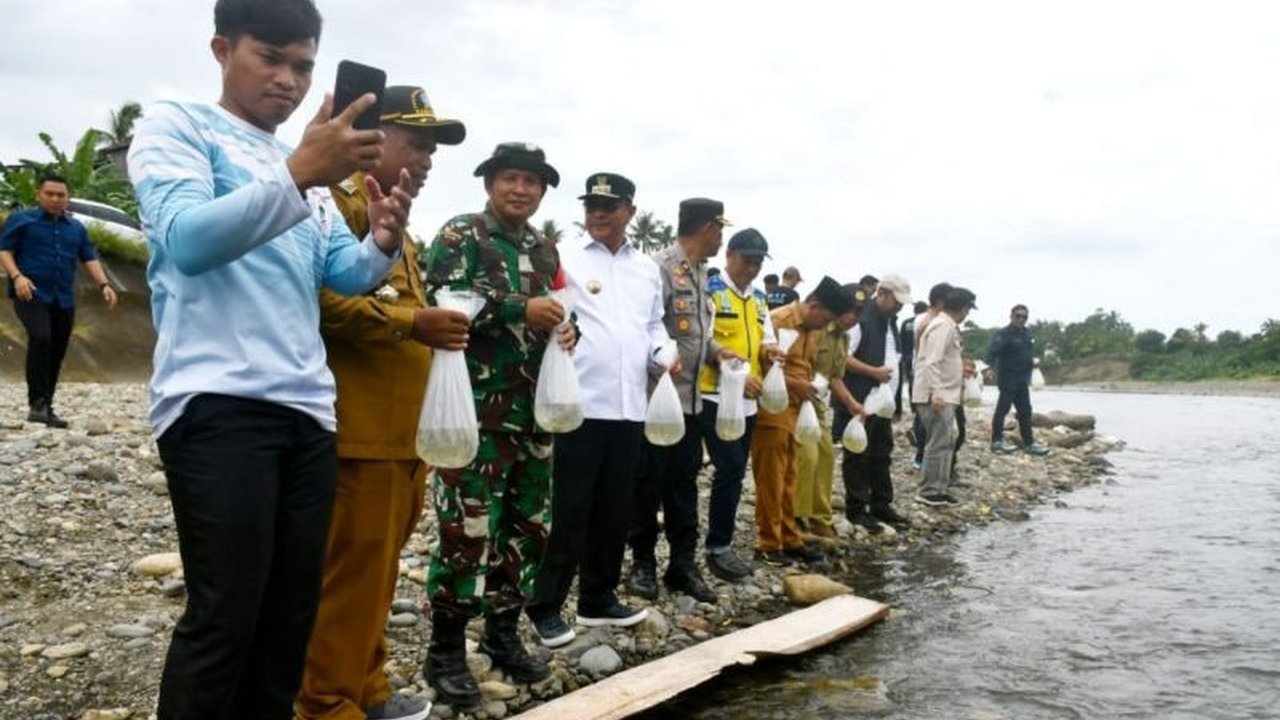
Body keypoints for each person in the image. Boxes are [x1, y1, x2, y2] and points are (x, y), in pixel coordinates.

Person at [126, 0, 413, 716]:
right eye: (271, 58)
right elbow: (187, 242)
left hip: (308, 409)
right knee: (227, 613)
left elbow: (337, 273)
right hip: (216, 402)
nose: (288, 79)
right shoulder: (178, 125)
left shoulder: (298, 165)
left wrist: (380, 239)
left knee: (289, 617)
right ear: (223, 49)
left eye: (303, 65)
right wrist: (299, 173)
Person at [296, 85, 469, 720]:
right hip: (359, 431)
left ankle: (364, 687)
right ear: (373, 138)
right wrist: (410, 322)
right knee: (349, 578)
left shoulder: (395, 219)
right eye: (416, 144)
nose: (425, 160)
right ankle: (326, 704)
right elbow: (318, 301)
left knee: (377, 576)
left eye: (431, 150)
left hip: (401, 435)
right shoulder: (334, 206)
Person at [420, 142, 570, 709]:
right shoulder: (462, 234)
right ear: (490, 182)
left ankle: (503, 631)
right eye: (511, 178)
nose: (521, 190)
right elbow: (442, 300)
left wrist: (564, 330)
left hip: (533, 417)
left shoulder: (545, 248)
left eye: (532, 183)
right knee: (466, 531)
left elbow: (555, 306)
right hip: (476, 413)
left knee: (527, 528)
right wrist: (517, 309)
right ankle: (447, 648)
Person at [527, 172, 668, 648]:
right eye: (591, 207)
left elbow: (653, 326)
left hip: (630, 406)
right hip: (579, 402)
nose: (599, 215)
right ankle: (545, 605)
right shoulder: (562, 257)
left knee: (615, 507)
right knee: (569, 509)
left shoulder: (647, 269)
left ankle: (597, 598)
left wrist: (663, 352)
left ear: (630, 210)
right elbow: (549, 310)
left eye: (609, 207)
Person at [628, 198, 731, 604]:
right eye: (718, 230)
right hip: (656, 402)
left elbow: (697, 336)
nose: (721, 239)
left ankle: (682, 565)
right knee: (647, 485)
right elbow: (645, 330)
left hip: (691, 404)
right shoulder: (659, 268)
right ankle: (643, 564)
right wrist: (660, 365)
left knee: (683, 486)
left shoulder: (703, 273)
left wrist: (718, 353)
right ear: (706, 227)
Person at [751, 276, 856, 566]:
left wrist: (809, 386)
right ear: (813, 304)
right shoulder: (778, 321)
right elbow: (758, 369)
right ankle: (768, 543)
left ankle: (790, 537)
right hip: (772, 406)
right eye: (826, 317)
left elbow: (807, 367)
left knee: (790, 475)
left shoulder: (813, 329)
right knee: (771, 478)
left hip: (799, 407)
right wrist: (795, 385)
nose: (826, 325)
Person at [695, 228, 781, 581]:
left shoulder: (759, 300)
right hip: (715, 395)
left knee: (734, 470)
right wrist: (735, 373)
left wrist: (770, 352)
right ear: (728, 255)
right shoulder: (711, 293)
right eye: (747, 260)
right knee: (729, 468)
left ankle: (721, 543)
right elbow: (703, 342)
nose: (752, 267)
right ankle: (717, 547)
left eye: (758, 262)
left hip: (747, 401)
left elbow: (766, 339)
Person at [1, 174, 118, 428]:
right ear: (38, 194)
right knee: (41, 338)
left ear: (68, 197)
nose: (55, 199)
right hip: (30, 292)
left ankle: (47, 405)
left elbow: (89, 257)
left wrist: (104, 284)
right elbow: (5, 249)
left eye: (60, 195)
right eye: (50, 194)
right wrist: (17, 276)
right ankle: (37, 404)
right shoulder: (22, 220)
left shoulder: (75, 228)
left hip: (63, 296)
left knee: (57, 347)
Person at [838, 273, 912, 534]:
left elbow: (896, 360)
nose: (900, 306)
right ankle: (857, 510)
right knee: (857, 453)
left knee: (881, 453)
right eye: (896, 301)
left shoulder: (890, 321)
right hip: (859, 398)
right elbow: (842, 358)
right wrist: (872, 372)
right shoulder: (862, 319)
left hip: (883, 401)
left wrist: (898, 404)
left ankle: (881, 504)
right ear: (881, 294)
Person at [795, 290, 865, 539]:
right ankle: (797, 517)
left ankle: (820, 517)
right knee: (807, 455)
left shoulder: (843, 339)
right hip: (797, 398)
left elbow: (835, 377)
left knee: (826, 455)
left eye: (858, 314)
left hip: (816, 403)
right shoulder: (817, 327)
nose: (853, 318)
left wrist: (852, 403)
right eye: (850, 312)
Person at [913, 287, 977, 507]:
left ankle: (939, 488)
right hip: (937, 395)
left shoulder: (946, 325)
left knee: (946, 441)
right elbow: (932, 361)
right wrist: (937, 393)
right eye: (968, 308)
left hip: (945, 393)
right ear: (961, 308)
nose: (967, 313)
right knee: (938, 442)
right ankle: (929, 490)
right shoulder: (942, 326)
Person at [985, 304, 1050, 456]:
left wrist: (1034, 362)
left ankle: (1029, 443)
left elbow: (1029, 353)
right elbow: (992, 353)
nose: (1021, 319)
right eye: (1018, 316)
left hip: (1023, 379)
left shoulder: (1028, 334)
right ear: (1011, 316)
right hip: (1007, 378)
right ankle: (996, 441)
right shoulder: (1003, 334)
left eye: (1024, 317)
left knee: (1025, 411)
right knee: (1003, 409)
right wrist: (988, 368)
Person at [910, 284, 953, 470]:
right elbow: (930, 359)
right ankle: (928, 472)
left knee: (934, 431)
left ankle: (937, 469)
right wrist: (936, 390)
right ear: (940, 302)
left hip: (929, 383)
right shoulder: (932, 323)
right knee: (935, 434)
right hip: (931, 385)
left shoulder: (934, 321)